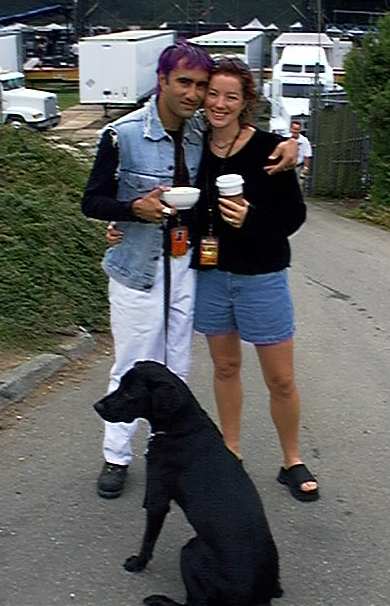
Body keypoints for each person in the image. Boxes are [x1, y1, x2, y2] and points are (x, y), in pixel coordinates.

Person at [82, 41, 297, 500]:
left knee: (176, 366)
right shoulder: (123, 134)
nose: (197, 94)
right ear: (161, 81)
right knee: (132, 363)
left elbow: (246, 131)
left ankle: (167, 450)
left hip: (186, 266)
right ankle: (116, 456)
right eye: (186, 83)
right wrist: (130, 210)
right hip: (138, 268)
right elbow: (92, 200)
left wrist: (295, 144)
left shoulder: (199, 131)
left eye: (201, 85)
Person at [190, 58, 319, 502]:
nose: (220, 104)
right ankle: (230, 451)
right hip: (210, 274)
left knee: (280, 379)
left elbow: (294, 216)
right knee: (225, 368)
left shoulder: (269, 149)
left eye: (231, 96)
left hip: (261, 276)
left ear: (247, 103)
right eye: (213, 94)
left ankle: (291, 459)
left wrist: (252, 217)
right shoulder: (194, 145)